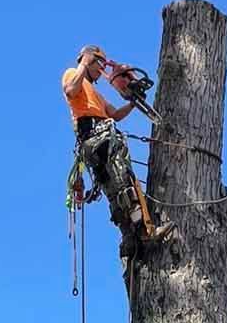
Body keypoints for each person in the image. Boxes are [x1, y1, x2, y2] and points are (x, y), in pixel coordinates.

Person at [62, 46, 158, 253]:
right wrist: (84, 64)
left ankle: (131, 241)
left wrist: (133, 102)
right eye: (99, 64)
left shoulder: (95, 93)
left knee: (113, 189)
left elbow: (115, 114)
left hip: (99, 139)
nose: (101, 70)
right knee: (123, 176)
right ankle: (143, 226)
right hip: (96, 136)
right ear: (89, 59)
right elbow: (70, 90)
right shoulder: (73, 74)